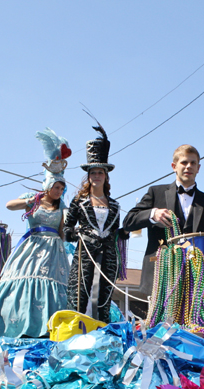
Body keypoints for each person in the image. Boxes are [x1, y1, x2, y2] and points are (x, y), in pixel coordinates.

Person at [0, 128, 71, 338]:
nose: (58, 191)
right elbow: (9, 205)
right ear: (48, 186)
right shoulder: (33, 198)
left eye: (61, 188)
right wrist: (30, 201)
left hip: (54, 250)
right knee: (21, 282)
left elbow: (62, 231)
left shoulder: (62, 207)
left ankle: (46, 326)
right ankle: (16, 322)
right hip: (32, 247)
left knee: (53, 287)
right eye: (55, 187)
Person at [122, 144, 204, 296]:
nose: (188, 167)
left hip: (195, 280)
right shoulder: (156, 192)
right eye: (184, 162)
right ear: (174, 166)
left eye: (193, 163)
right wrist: (153, 214)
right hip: (160, 275)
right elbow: (128, 221)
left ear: (198, 168)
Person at [65, 124, 128, 322]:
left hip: (108, 257)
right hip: (85, 256)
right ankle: (75, 332)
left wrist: (123, 233)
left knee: (104, 298)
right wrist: (82, 235)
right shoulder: (79, 202)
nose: (97, 176)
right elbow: (67, 230)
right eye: (93, 173)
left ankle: (102, 332)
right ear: (89, 176)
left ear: (105, 176)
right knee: (79, 294)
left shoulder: (116, 206)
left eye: (100, 173)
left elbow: (116, 231)